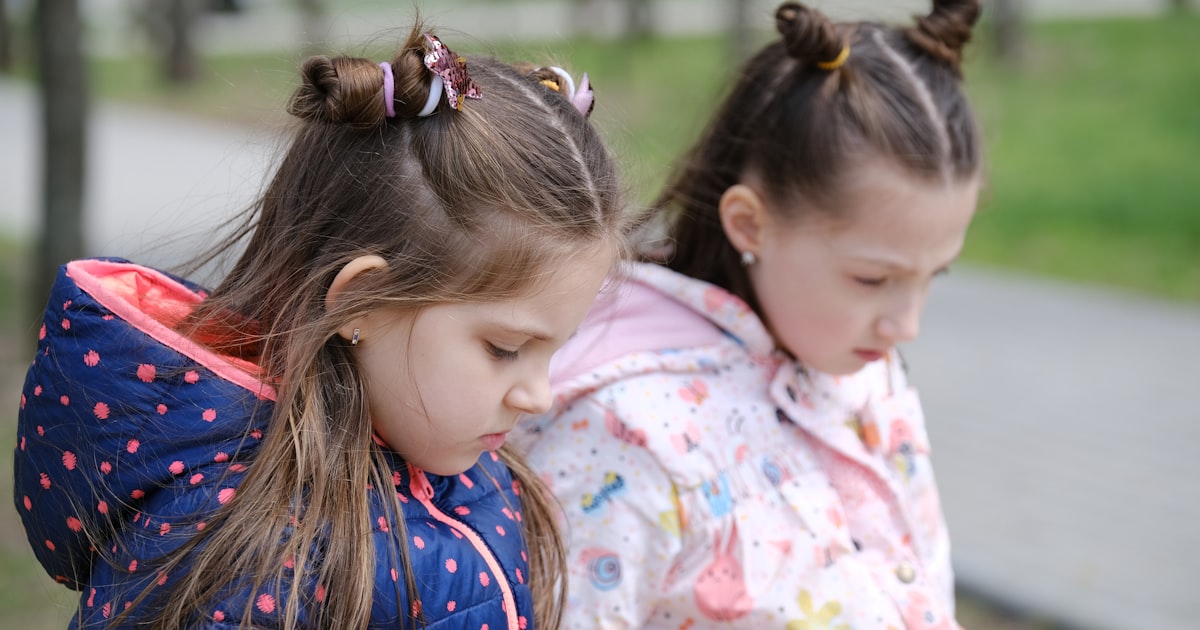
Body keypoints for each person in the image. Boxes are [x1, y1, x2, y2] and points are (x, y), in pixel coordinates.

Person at [13, 24, 623, 630]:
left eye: (555, 349)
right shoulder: (253, 561)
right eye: (505, 349)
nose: (539, 396)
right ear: (360, 302)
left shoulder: (453, 464)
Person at [513, 1, 983, 628]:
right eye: (872, 278)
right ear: (749, 224)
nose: (906, 325)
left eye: (933, 276)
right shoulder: (623, 433)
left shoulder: (866, 376)